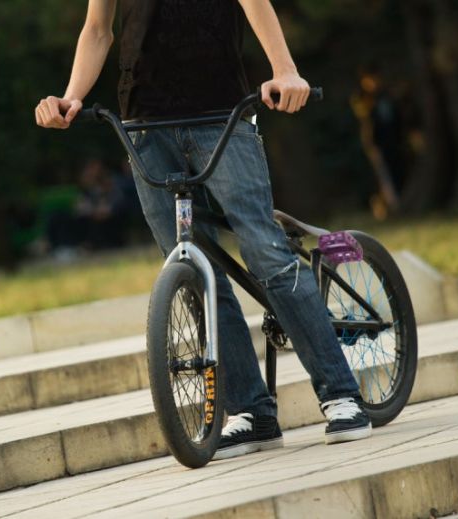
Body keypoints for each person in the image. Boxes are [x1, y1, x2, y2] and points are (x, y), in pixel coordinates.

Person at [35, 0, 371, 460]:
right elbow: (97, 30)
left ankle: (341, 395)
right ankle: (251, 412)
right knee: (196, 270)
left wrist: (285, 70)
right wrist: (72, 96)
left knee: (266, 251)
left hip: (221, 117)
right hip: (144, 129)